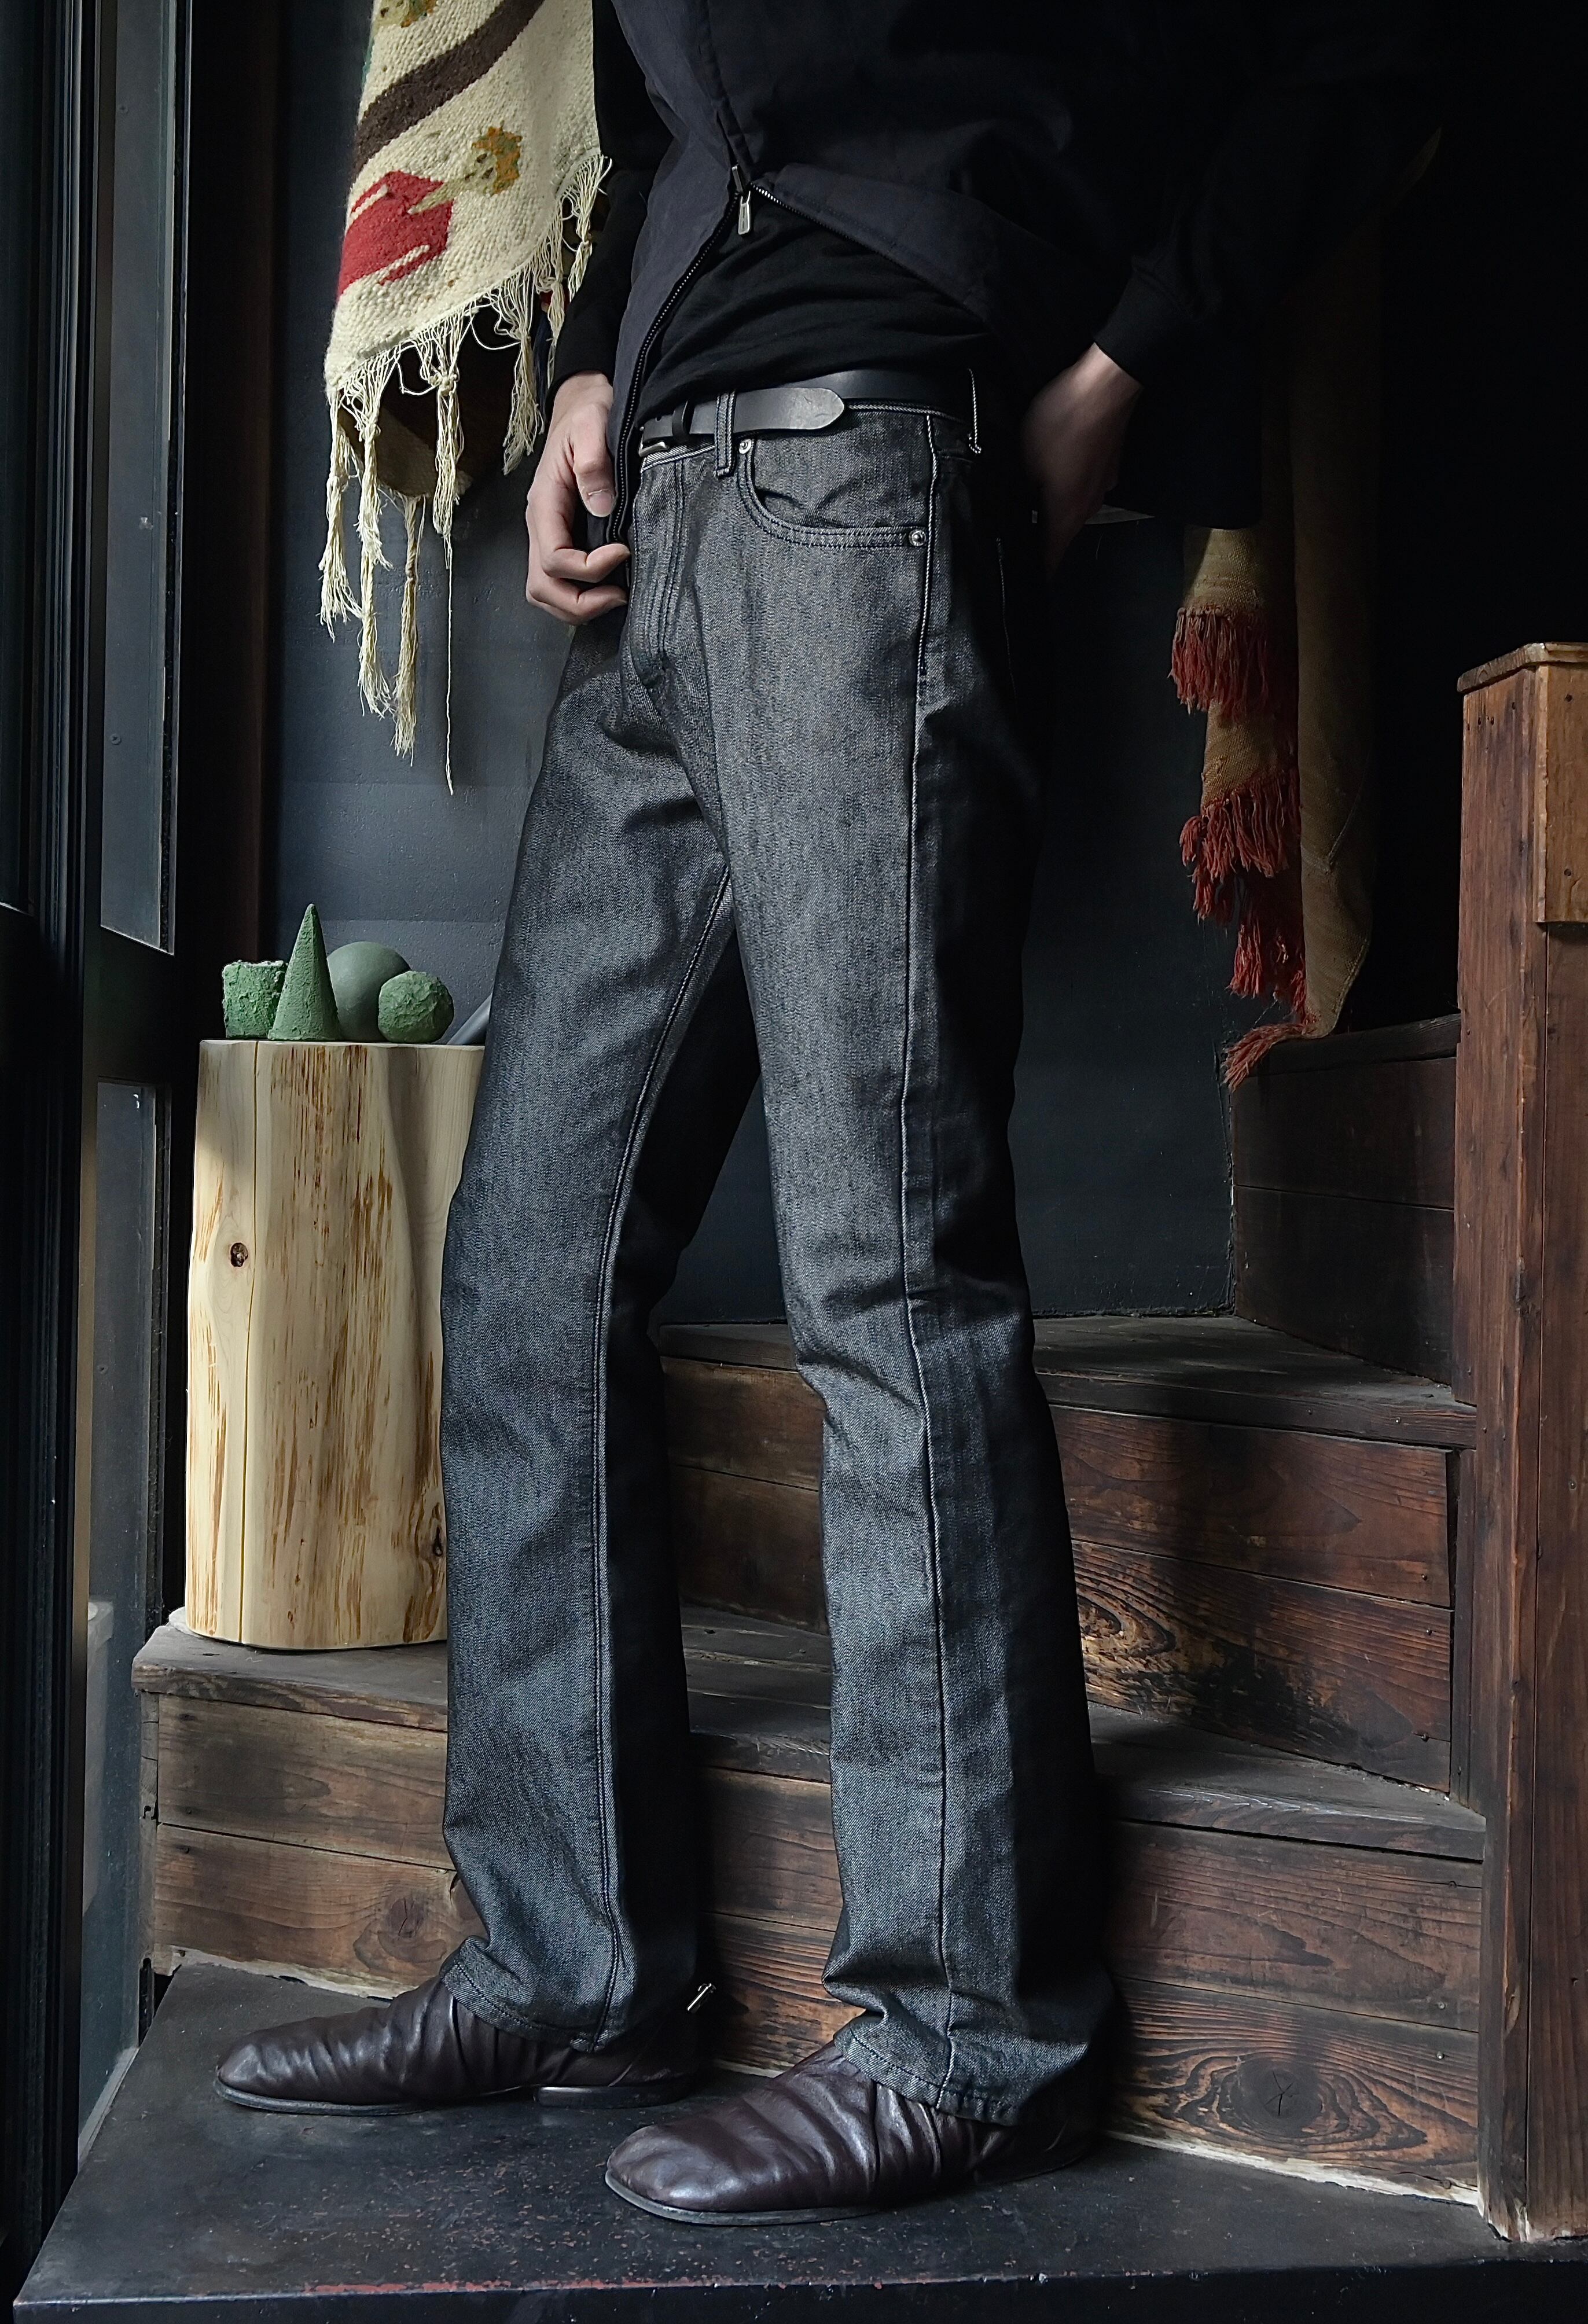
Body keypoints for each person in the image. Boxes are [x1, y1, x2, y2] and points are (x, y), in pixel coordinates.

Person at [217, 0, 1437, 2226]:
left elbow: (1375, 50)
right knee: (528, 1269)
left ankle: (973, 2032)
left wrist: (1119, 369)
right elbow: (668, 112)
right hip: (669, 543)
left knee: (888, 1269)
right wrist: (595, 369)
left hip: (873, 489)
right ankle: (574, 1965)